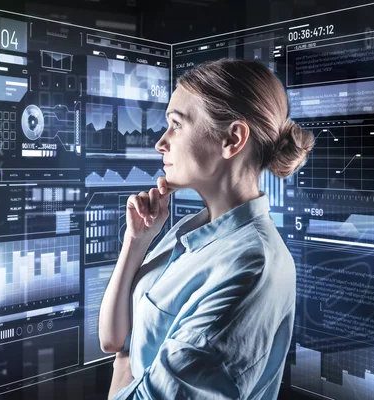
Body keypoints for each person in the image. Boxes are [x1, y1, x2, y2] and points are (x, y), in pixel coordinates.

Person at [98, 58, 315, 399]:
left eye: (177, 124)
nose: (161, 142)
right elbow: (113, 340)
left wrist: (125, 366)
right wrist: (136, 243)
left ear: (232, 138)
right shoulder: (192, 229)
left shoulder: (251, 268)